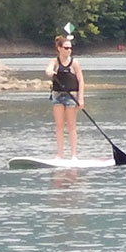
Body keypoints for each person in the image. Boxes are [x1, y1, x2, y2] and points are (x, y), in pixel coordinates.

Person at [45, 33, 83, 161]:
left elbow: (81, 81)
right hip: (58, 96)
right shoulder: (54, 61)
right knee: (59, 126)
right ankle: (59, 155)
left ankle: (73, 156)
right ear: (59, 48)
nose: (69, 50)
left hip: (71, 96)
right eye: (66, 48)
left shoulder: (74, 63)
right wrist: (50, 72)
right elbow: (48, 70)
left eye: (70, 48)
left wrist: (81, 98)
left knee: (71, 126)